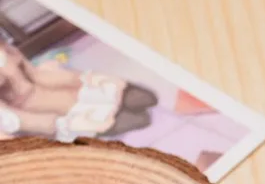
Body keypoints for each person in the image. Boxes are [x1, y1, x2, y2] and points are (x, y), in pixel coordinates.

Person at [0, 40, 157, 141]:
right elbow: (23, 121)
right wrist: (69, 124)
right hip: (49, 115)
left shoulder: (9, 55)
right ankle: (96, 117)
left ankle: (109, 99)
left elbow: (38, 76)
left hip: (53, 90)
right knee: (137, 119)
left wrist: (84, 79)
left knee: (141, 97)